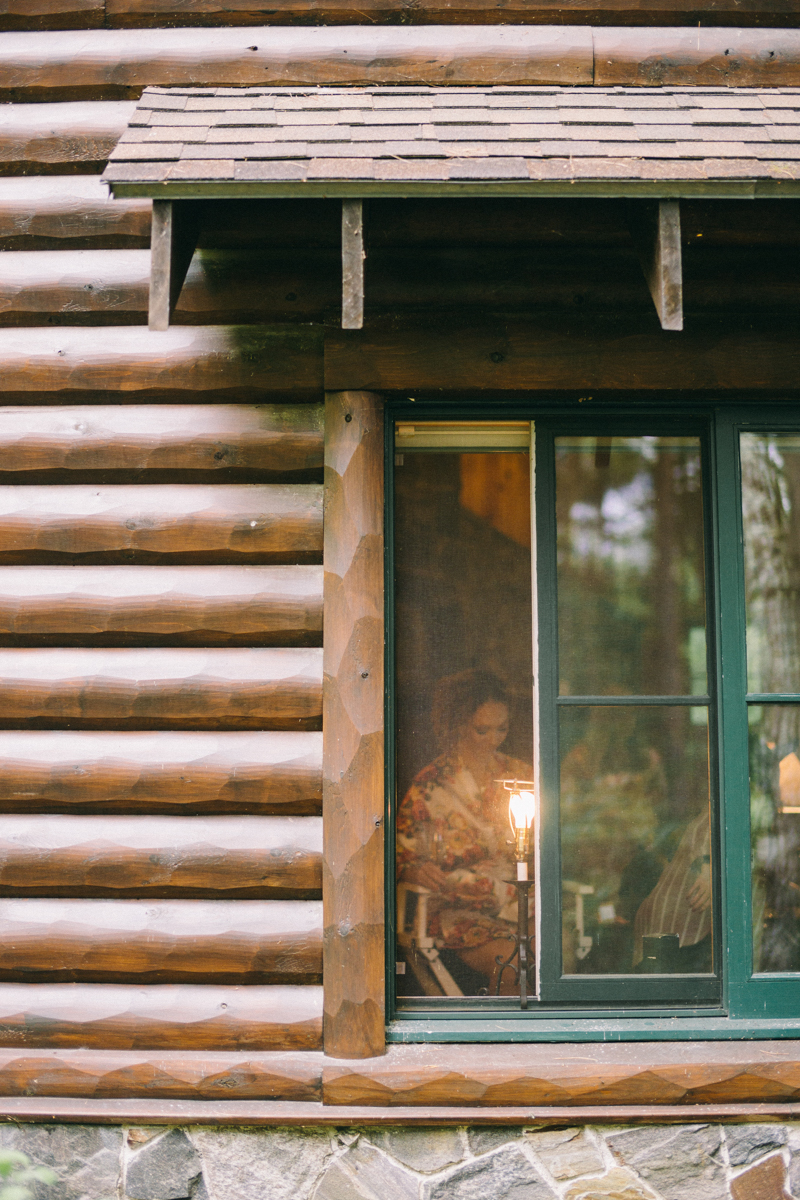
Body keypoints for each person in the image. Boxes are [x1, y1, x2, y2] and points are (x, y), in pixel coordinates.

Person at [397, 669, 533, 994]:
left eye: (502, 729)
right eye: (482, 730)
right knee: (513, 960)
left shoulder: (520, 775)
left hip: (519, 897)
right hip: (456, 905)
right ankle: (507, 1038)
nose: (493, 739)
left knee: (554, 949)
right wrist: (413, 869)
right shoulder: (431, 783)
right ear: (457, 723)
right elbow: (401, 856)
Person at [632, 811, 712, 972]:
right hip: (674, 924)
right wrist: (708, 870)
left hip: (676, 923)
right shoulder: (713, 815)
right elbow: (702, 832)